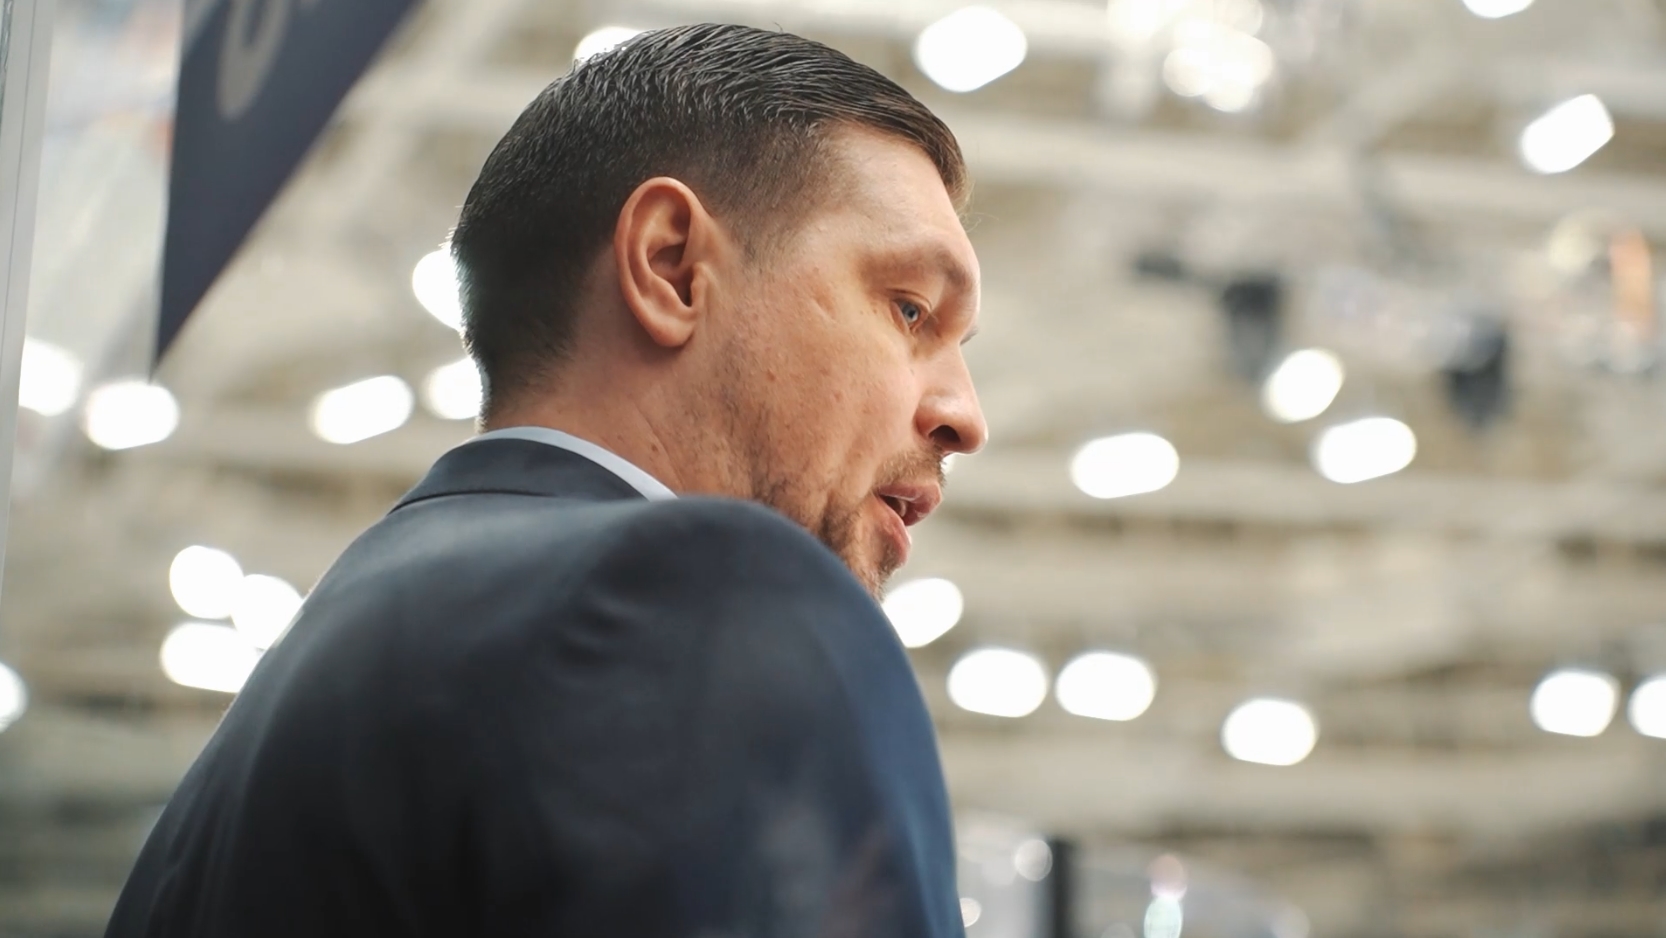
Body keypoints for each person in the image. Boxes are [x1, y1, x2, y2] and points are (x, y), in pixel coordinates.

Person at [106, 22, 986, 938]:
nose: (966, 415)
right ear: (673, 266)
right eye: (910, 309)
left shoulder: (309, 688)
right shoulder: (703, 600)